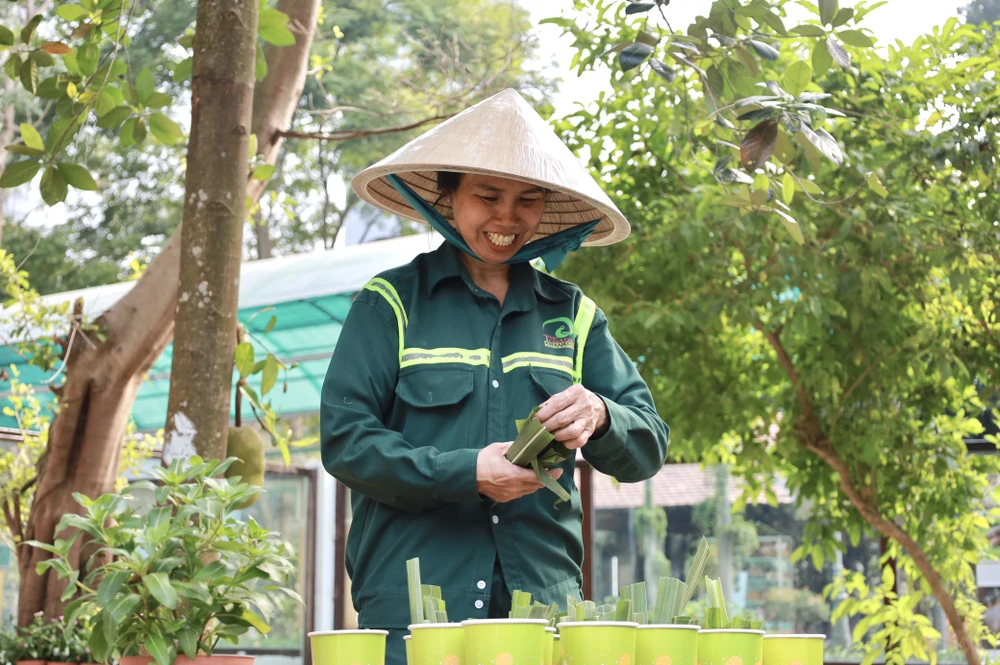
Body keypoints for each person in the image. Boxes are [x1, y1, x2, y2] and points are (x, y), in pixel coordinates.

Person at [320, 88, 670, 664]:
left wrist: (604, 415)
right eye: (487, 195)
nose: (507, 218)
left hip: (542, 615)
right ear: (448, 195)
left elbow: (649, 445)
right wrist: (466, 473)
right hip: (413, 618)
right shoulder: (390, 305)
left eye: (527, 200)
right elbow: (346, 441)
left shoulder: (574, 315)